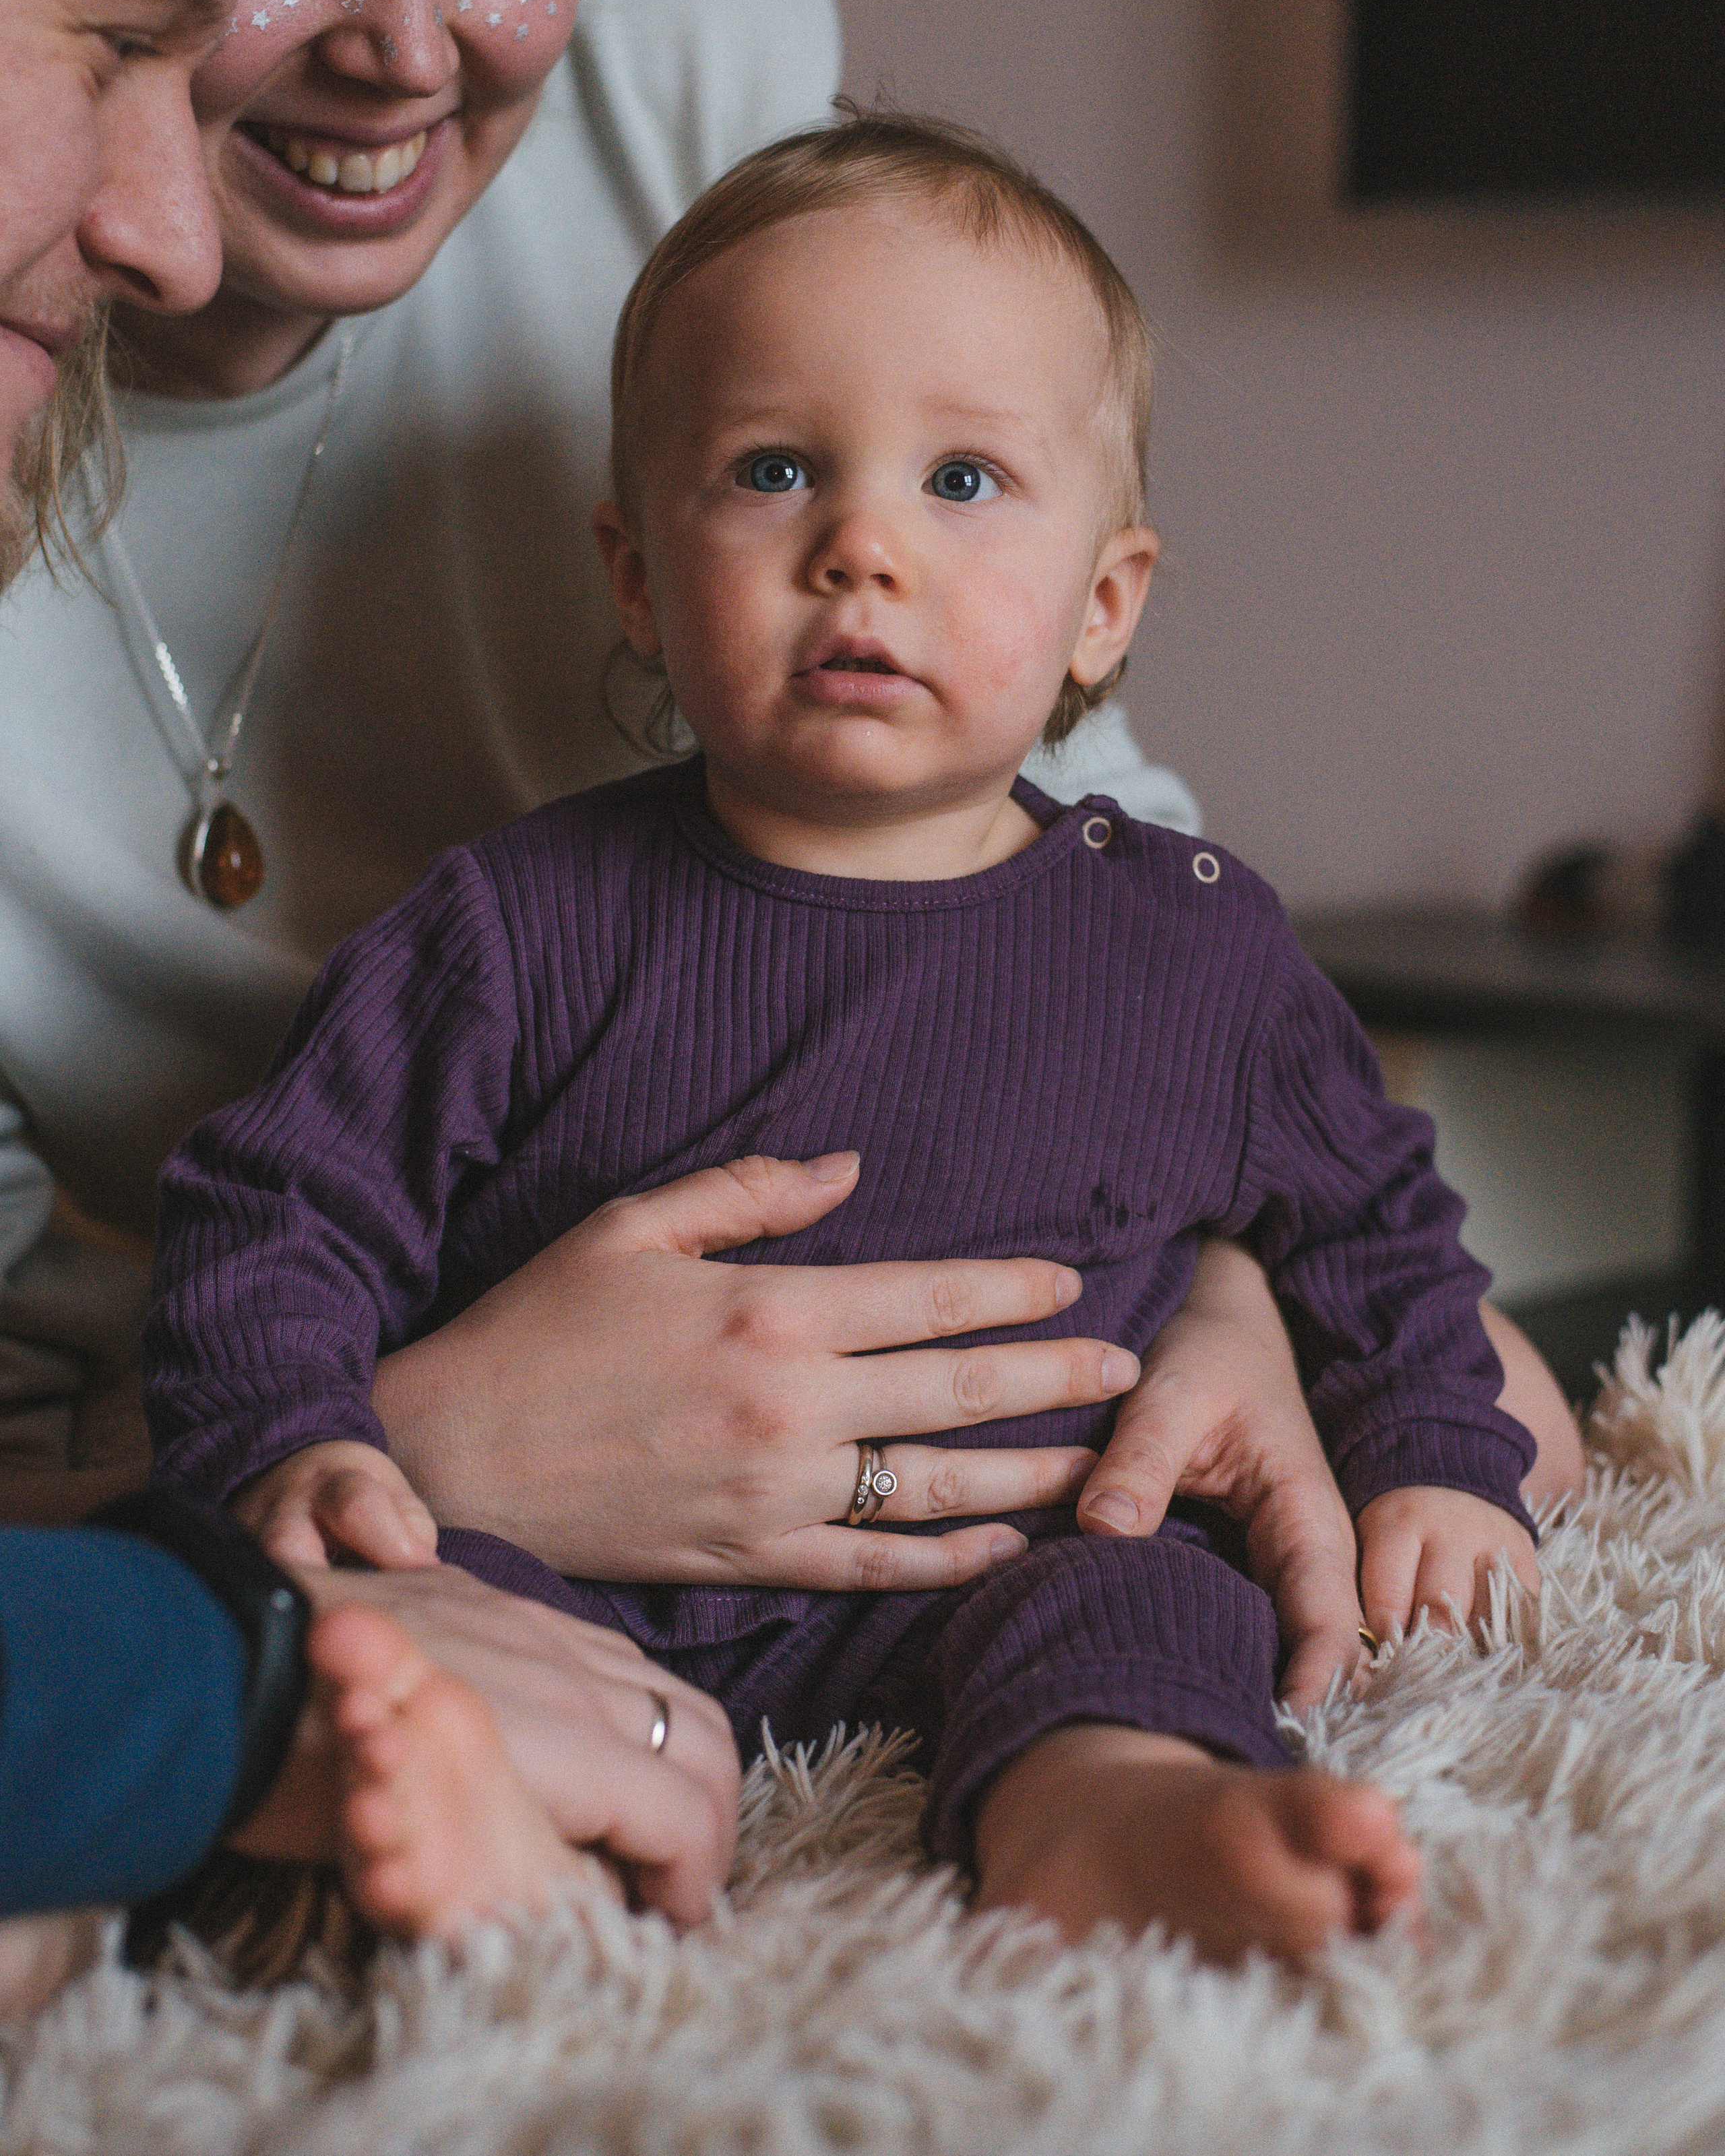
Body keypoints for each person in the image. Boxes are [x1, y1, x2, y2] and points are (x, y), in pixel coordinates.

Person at [0, 0, 1546, 1700]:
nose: (407, 36)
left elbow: (1063, 861)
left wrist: (1216, 1286)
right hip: (280, 1473)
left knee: (1446, 1457)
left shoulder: (692, 89)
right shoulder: (506, 928)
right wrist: (440, 1442)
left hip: (995, 1421)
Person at [147, 112, 1555, 1965]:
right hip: (583, 1563)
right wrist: (297, 1440)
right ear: (639, 574)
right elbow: (276, 1217)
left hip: (1012, 1555)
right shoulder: (509, 926)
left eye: (964, 479)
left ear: (1103, 605)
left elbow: (1374, 1225)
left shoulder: (1195, 938)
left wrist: (1437, 1452)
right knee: (420, 1617)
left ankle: (1108, 1803)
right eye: (777, 467)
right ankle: (506, 1814)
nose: (863, 546)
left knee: (1149, 1594)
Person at [0, 0, 739, 2017]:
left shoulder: (699, 124)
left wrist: (1257, 1255)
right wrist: (312, 1551)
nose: (407, 45)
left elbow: (1048, 836)